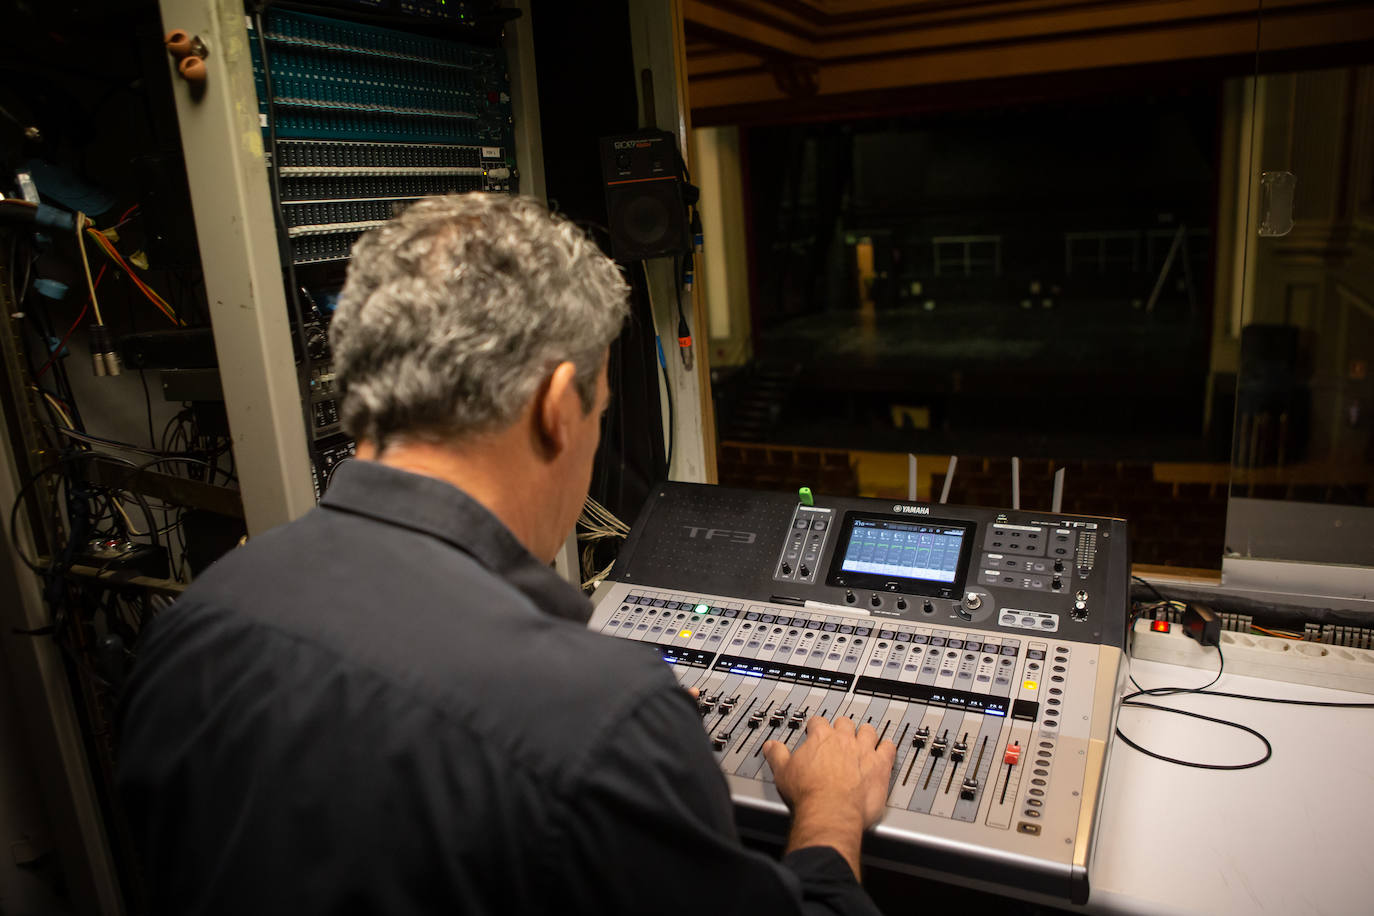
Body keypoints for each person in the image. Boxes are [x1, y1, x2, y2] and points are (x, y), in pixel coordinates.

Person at [117, 194, 897, 914]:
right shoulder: (602, 719)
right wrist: (829, 810)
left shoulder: (198, 617)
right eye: (599, 412)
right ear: (559, 407)